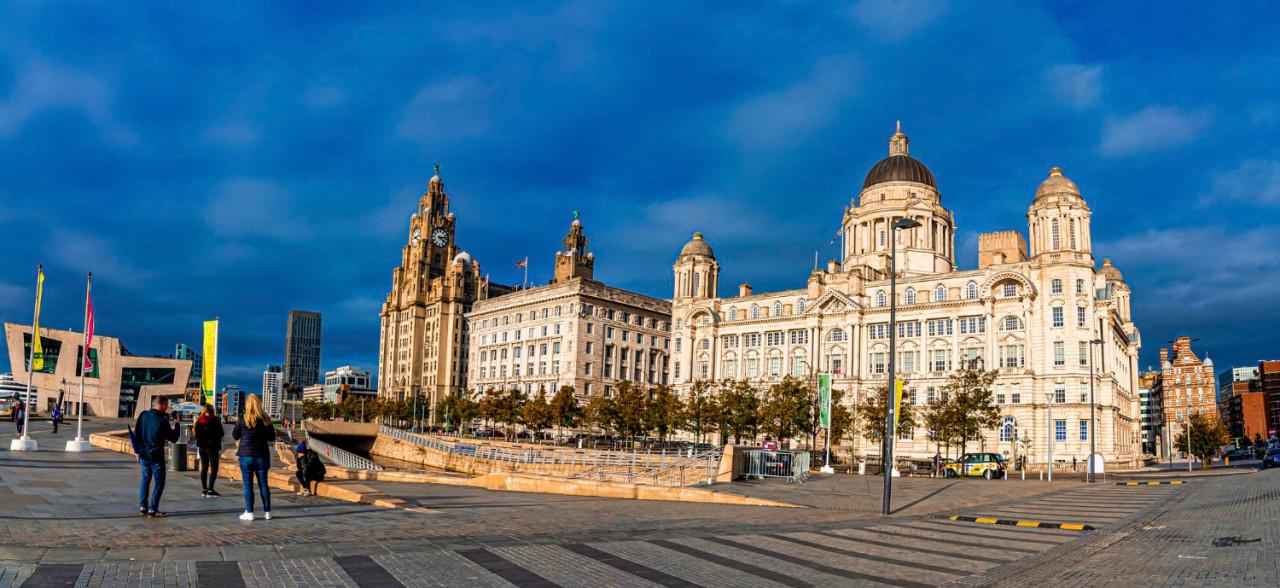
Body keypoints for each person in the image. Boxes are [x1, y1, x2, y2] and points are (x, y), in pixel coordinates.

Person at [134, 396, 180, 517]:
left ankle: (143, 506)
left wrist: (136, 451)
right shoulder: (162, 420)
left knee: (145, 479)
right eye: (167, 405)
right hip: (156, 456)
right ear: (163, 405)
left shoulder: (143, 415)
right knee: (159, 482)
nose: (167, 408)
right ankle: (152, 509)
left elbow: (136, 434)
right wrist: (177, 423)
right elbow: (174, 438)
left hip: (143, 454)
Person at [232, 394, 276, 521]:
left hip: (246, 455)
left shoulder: (243, 418)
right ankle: (267, 512)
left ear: (247, 404)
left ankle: (249, 512)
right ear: (259, 404)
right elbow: (272, 437)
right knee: (264, 484)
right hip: (262, 455)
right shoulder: (265, 418)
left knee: (248, 485)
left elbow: (235, 435)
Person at [193, 404, 225, 498]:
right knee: (214, 467)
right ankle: (210, 490)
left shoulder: (199, 421)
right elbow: (221, 433)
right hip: (212, 448)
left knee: (204, 467)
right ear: (212, 411)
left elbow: (196, 435)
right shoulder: (215, 420)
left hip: (202, 448)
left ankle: (204, 489)